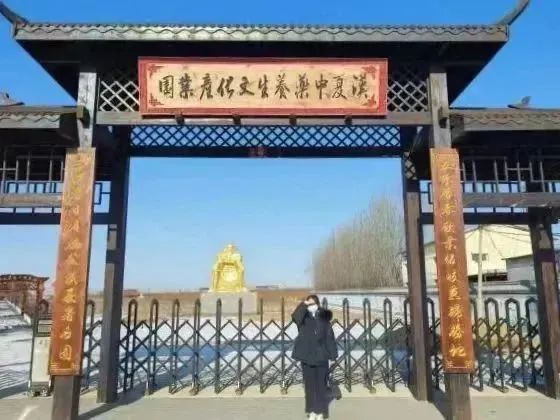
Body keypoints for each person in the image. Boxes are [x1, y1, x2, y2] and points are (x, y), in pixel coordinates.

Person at [292, 295, 338, 420]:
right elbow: (295, 316)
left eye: (313, 304)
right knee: (310, 386)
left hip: (321, 356)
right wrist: (304, 304)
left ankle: (320, 411)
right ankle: (311, 410)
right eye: (309, 304)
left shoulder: (324, 318)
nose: (311, 306)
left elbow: (329, 337)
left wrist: (333, 354)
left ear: (318, 305)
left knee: (321, 386)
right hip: (306, 356)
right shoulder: (303, 318)